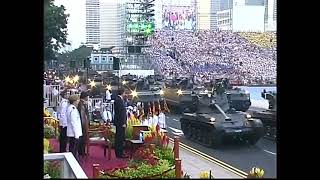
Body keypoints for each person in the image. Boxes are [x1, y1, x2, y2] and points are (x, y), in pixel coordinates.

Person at [66, 95, 82, 161]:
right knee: (73, 150)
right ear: (74, 101)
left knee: (72, 148)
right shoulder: (73, 109)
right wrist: (77, 135)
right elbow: (74, 122)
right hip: (74, 133)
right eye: (77, 100)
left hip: (72, 133)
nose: (78, 101)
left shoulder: (70, 108)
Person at [113, 88, 128, 158]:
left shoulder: (119, 100)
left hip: (119, 122)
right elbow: (121, 113)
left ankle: (120, 152)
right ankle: (119, 153)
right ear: (122, 93)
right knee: (120, 138)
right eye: (124, 93)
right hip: (120, 122)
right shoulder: (119, 100)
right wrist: (123, 122)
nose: (125, 94)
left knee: (120, 137)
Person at [77, 91, 90, 158]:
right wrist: (85, 125)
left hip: (83, 124)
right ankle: (81, 151)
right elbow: (83, 116)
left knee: (82, 138)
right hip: (83, 124)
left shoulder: (82, 103)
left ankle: (81, 151)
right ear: (85, 97)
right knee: (82, 138)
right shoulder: (81, 104)